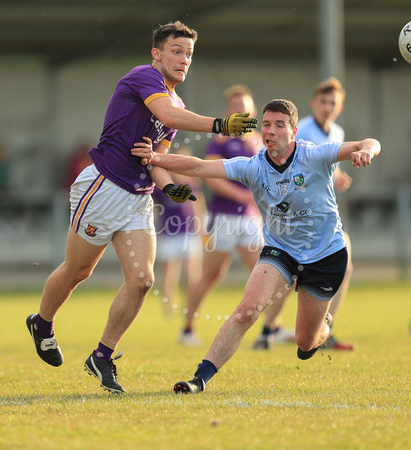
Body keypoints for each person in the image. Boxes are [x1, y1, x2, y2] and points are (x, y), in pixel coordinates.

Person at [25, 20, 257, 394]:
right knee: (77, 271)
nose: (183, 59)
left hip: (138, 197)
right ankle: (42, 322)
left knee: (143, 281)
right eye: (177, 51)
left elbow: (156, 157)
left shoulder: (177, 103)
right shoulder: (143, 78)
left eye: (189, 54)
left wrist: (171, 190)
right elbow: (166, 116)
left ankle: (102, 356)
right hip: (103, 187)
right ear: (157, 54)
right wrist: (220, 124)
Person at [133, 98, 381, 394]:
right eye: (266, 124)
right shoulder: (252, 167)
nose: (271, 131)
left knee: (305, 342)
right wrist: (156, 159)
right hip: (281, 252)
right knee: (246, 311)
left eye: (279, 125)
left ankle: (324, 325)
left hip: (326, 254)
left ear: (294, 131)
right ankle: (199, 379)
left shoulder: (315, 156)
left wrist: (366, 150)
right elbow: (199, 167)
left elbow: (370, 141)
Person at [179, 84, 293, 347]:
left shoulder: (257, 140)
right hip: (223, 219)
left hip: (250, 219)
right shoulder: (220, 140)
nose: (240, 110)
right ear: (228, 111)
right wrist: (242, 195)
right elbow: (211, 176)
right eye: (234, 107)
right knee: (212, 275)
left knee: (268, 273)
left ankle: (271, 328)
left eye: (244, 106)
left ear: (252, 109)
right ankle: (187, 329)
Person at [294, 76, 355, 351]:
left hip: (324, 214)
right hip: (299, 213)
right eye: (323, 101)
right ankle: (267, 332)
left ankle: (326, 328)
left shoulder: (338, 133)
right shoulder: (302, 130)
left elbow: (327, 165)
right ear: (313, 103)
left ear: (339, 107)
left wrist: (338, 176)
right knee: (288, 276)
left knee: (346, 265)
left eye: (333, 103)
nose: (327, 106)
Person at [152, 145, 205, 317]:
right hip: (169, 233)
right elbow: (154, 208)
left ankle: (189, 305)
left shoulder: (191, 184)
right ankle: (168, 307)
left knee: (192, 272)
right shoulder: (163, 185)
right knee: (170, 273)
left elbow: (198, 207)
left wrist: (202, 230)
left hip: (189, 233)